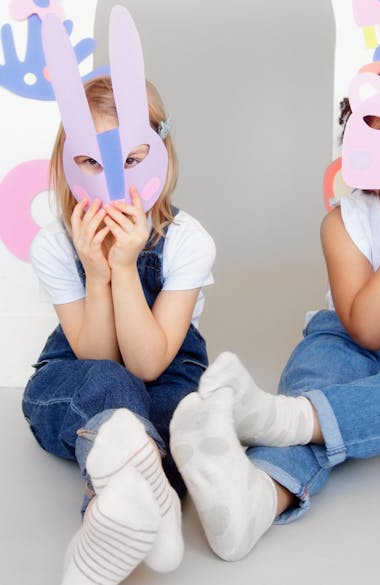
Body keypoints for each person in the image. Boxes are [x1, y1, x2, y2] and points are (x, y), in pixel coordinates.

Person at [169, 64, 380, 563]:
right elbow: (367, 330)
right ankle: (256, 500)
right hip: (347, 335)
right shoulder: (343, 222)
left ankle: (289, 418)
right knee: (319, 380)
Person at [22, 75, 216, 585]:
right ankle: (150, 498)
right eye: (91, 161)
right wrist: (98, 272)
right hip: (82, 367)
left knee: (184, 423)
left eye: (131, 160)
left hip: (166, 365)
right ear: (67, 161)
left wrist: (126, 267)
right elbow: (96, 356)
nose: (113, 181)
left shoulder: (187, 241)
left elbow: (149, 363)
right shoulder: (55, 244)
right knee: (107, 388)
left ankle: (101, 526)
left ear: (161, 154)